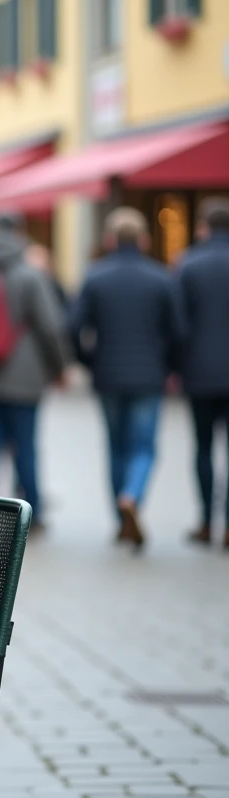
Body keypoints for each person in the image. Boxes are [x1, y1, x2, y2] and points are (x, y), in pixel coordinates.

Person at [71, 207, 184, 550]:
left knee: (116, 446)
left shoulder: (95, 276)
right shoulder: (162, 278)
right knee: (144, 447)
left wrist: (88, 361)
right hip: (149, 375)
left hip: (108, 374)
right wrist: (168, 366)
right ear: (146, 240)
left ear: (109, 240)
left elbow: (73, 326)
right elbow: (178, 331)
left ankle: (121, 520)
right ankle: (132, 496)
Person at [0, 218, 70, 532]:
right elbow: (50, 327)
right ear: (17, 233)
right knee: (26, 446)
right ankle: (33, 515)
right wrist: (60, 368)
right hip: (24, 378)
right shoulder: (29, 274)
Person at [176, 197, 229, 547]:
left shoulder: (188, 264)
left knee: (203, 447)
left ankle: (207, 521)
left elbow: (178, 326)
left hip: (201, 373)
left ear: (203, 226)